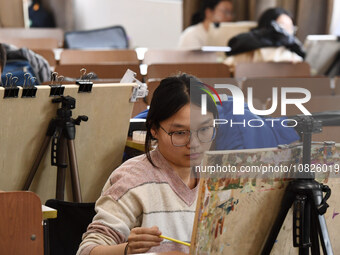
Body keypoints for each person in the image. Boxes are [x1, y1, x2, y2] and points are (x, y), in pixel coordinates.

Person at [77, 74, 218, 255]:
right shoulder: (132, 179)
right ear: (153, 129)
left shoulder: (220, 176)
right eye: (180, 133)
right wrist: (127, 250)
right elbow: (87, 251)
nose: (195, 143)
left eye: (205, 129)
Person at [224, 7, 306, 67]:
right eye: (282, 27)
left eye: (291, 28)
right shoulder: (246, 48)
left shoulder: (293, 53)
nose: (287, 32)